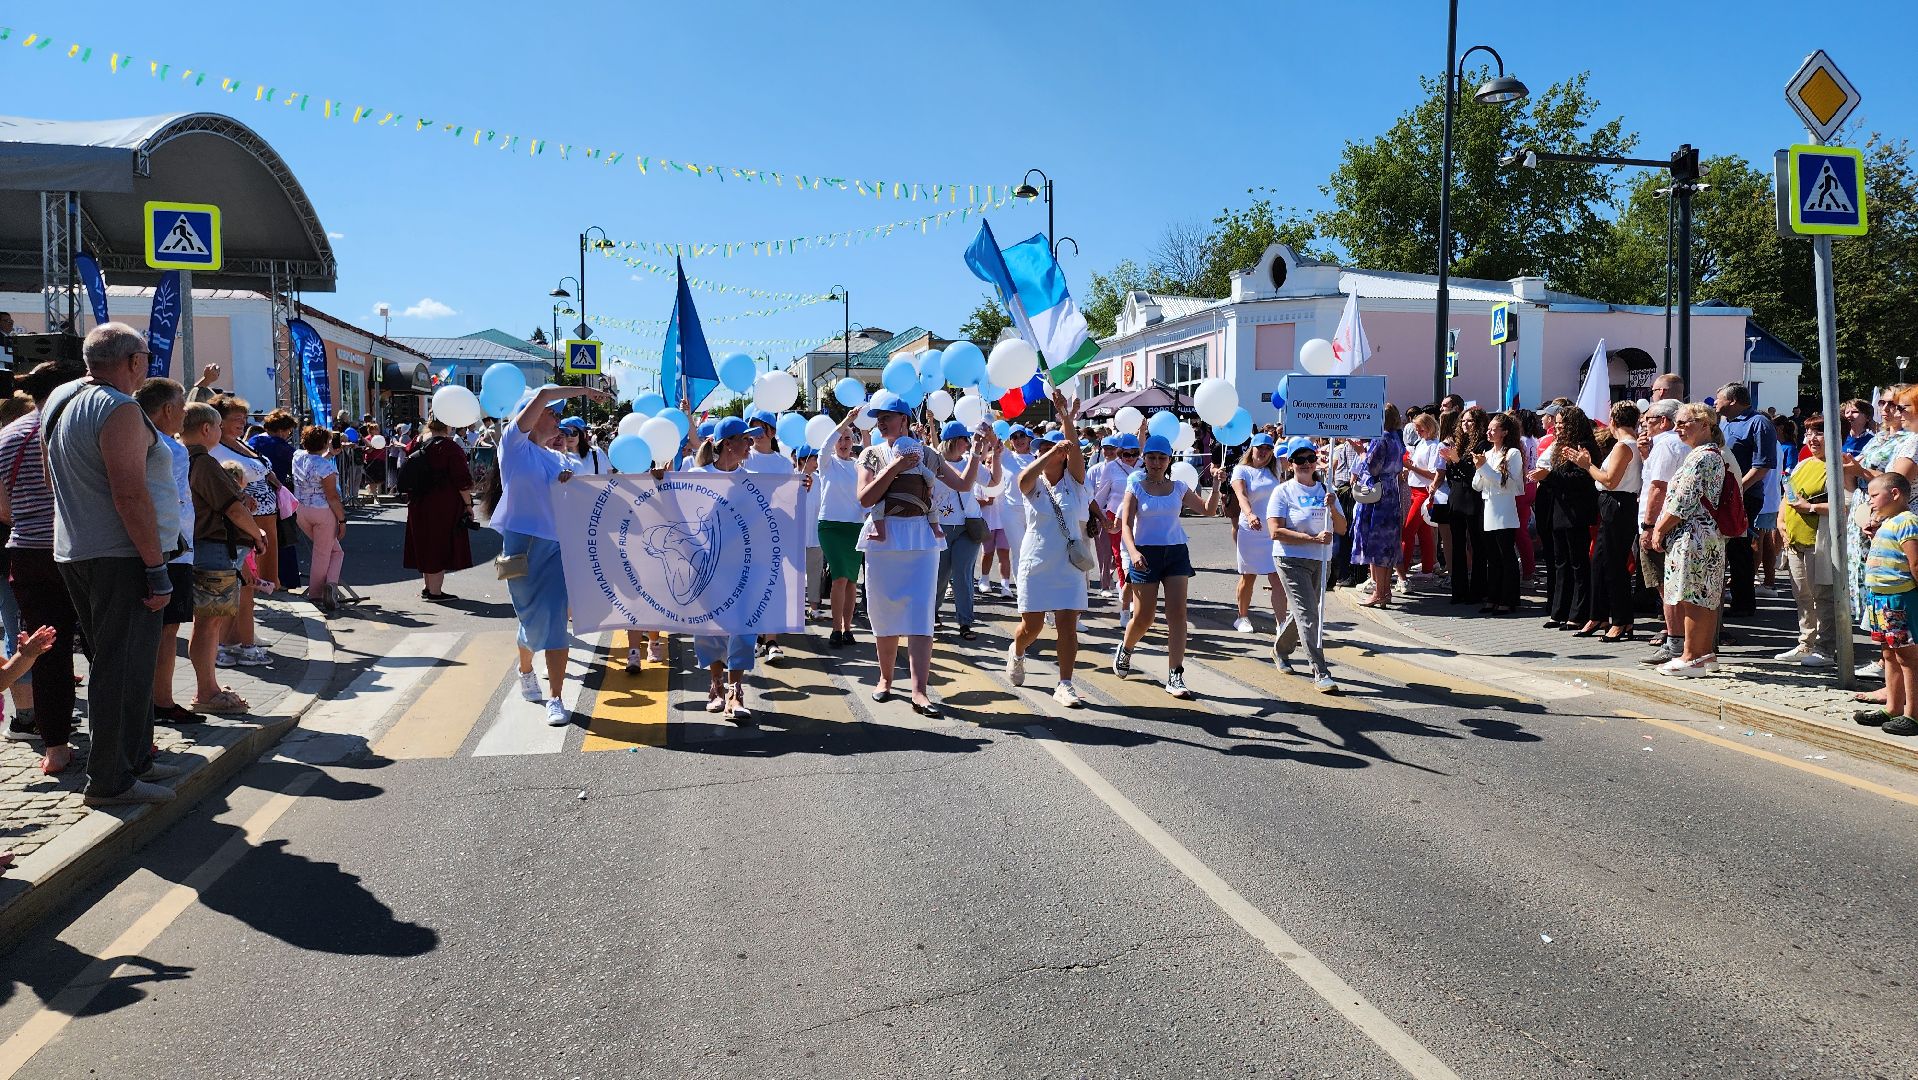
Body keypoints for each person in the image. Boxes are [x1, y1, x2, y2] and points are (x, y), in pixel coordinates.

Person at [44, 323, 189, 806]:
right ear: (132, 361)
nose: (148, 364)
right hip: (121, 556)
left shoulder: (62, 398)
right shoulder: (120, 408)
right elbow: (130, 493)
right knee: (120, 668)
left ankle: (135, 759)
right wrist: (155, 567)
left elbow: (52, 478)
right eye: (145, 356)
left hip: (78, 549)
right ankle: (110, 780)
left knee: (124, 663)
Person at [487, 383, 613, 727]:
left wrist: (568, 482)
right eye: (551, 412)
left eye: (557, 412)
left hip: (557, 547)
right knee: (531, 620)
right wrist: (584, 392)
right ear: (531, 414)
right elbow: (543, 393)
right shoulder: (512, 446)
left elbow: (578, 496)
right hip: (520, 548)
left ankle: (555, 696)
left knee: (556, 621)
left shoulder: (557, 457)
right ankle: (525, 667)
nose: (556, 417)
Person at [857, 394, 989, 715]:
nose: (881, 422)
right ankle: (885, 680)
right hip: (883, 537)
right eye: (879, 417)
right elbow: (865, 498)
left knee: (920, 613)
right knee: (884, 610)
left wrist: (976, 452)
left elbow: (963, 484)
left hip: (922, 537)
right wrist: (894, 467)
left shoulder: (928, 454)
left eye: (887, 416)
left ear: (903, 419)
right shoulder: (871, 454)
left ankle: (919, 691)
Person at [0, 363, 81, 772]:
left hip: (27, 552)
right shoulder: (72, 425)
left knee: (46, 651)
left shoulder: (8, 435)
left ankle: (55, 747)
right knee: (105, 648)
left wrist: (30, 521)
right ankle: (119, 739)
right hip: (81, 549)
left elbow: (2, 506)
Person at [1113, 434, 1220, 698]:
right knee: (1144, 617)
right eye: (1151, 457)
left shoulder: (1179, 487)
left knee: (1177, 615)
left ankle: (1175, 674)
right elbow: (1126, 525)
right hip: (1144, 555)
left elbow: (1208, 510)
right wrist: (1134, 551)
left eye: (1162, 458)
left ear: (1169, 459)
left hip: (1175, 553)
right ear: (1144, 459)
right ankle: (1126, 648)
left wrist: (1216, 486)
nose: (1156, 462)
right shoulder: (1135, 485)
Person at [1002, 394, 1090, 706]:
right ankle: (1018, 650)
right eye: (1040, 447)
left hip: (1067, 565)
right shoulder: (1034, 482)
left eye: (1051, 448)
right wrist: (1048, 452)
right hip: (1036, 563)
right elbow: (1024, 480)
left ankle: (1065, 684)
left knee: (1067, 626)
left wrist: (1066, 418)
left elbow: (1076, 451)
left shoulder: (1075, 482)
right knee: (1032, 627)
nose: (1044, 451)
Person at [183, 402, 267, 715]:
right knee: (208, 623)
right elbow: (233, 508)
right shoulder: (203, 462)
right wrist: (257, 535)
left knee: (207, 622)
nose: (221, 432)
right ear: (206, 429)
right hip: (215, 550)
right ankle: (206, 691)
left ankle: (209, 687)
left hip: (205, 547)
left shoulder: (185, 458)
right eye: (218, 427)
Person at [1649, 403, 1731, 677]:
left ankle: (1691, 656)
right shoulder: (1711, 454)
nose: (1678, 428)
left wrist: (1658, 528)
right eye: (1677, 423)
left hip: (1692, 536)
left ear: (1705, 424)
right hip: (1705, 535)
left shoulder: (1700, 457)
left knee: (1692, 595)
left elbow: (1683, 502)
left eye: (1685, 422)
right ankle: (1704, 654)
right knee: (1704, 595)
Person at [137, 378, 201, 725]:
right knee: (165, 630)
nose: (184, 414)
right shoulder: (169, 448)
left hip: (160, 547)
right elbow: (168, 502)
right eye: (181, 406)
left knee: (160, 631)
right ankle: (161, 702)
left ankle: (155, 702)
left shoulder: (139, 436)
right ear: (166, 410)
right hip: (170, 549)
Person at [1266, 437, 1346, 692]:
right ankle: (1320, 671)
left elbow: (1342, 528)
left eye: (1310, 459)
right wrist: (1311, 538)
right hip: (1290, 559)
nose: (1306, 464)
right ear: (1290, 464)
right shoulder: (1283, 491)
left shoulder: (1326, 491)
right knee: (1310, 614)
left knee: (1305, 612)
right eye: (1300, 460)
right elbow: (1275, 531)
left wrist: (1332, 509)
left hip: (1321, 560)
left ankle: (1279, 649)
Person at [208, 396, 277, 667]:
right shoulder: (214, 450)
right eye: (236, 419)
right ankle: (230, 643)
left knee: (250, 586)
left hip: (259, 521)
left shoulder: (242, 443)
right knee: (240, 586)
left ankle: (243, 636)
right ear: (218, 421)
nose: (242, 423)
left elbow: (261, 469)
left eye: (243, 418)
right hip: (242, 525)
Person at [1566, 401, 1642, 641]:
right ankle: (1598, 615)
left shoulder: (1624, 446)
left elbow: (1610, 480)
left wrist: (1587, 465)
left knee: (1614, 565)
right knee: (1598, 561)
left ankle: (1622, 620)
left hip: (1618, 504)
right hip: (1612, 504)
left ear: (1614, 421)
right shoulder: (1627, 444)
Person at [1854, 473, 1918, 736]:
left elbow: (1914, 562)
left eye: (1874, 495)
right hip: (1881, 599)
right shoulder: (1888, 522)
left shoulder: (1908, 522)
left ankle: (1912, 714)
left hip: (1899, 599)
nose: (1870, 502)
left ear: (1895, 494)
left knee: (1907, 657)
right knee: (1888, 653)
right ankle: (1892, 707)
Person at [1777, 416, 1836, 667]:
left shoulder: (1837, 465)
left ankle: (1826, 647)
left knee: (1822, 595)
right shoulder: (1804, 464)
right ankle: (1806, 642)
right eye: (1809, 432)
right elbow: (1788, 494)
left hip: (1818, 541)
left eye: (1819, 433)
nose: (1812, 438)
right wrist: (1781, 522)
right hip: (1795, 540)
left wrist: (1810, 507)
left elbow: (1843, 504)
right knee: (1802, 595)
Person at [933, 420, 998, 641]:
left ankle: (965, 622)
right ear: (955, 441)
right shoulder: (936, 462)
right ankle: (933, 612)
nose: (969, 443)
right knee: (940, 575)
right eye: (966, 439)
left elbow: (993, 481)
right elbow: (960, 483)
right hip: (940, 527)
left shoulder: (971, 461)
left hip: (969, 527)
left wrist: (996, 454)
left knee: (962, 574)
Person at [1715, 383, 1777, 616]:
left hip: (1744, 497)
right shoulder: (1724, 423)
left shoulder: (1759, 423)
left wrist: (1736, 491)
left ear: (1733, 400)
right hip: (1725, 496)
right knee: (1730, 548)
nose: (1715, 402)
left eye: (1719, 398)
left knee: (1740, 549)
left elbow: (1762, 466)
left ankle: (1743, 603)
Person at [1538, 405, 1599, 633]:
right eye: (1557, 424)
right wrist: (1545, 477)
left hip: (1577, 511)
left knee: (1578, 563)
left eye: (1563, 424)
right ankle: (1559, 611)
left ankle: (1578, 613)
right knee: (1560, 562)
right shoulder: (1558, 446)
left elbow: (1582, 479)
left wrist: (1550, 476)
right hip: (1559, 509)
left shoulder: (1585, 445)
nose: (1558, 427)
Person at [1636, 400, 1689, 664]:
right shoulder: (1672, 444)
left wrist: (1648, 527)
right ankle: (1680, 639)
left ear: (1664, 421)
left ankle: (1675, 643)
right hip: (1669, 523)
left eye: (1649, 420)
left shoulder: (1667, 444)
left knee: (1665, 586)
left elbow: (1658, 487)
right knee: (1671, 586)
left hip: (1659, 525)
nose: (1644, 424)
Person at [402, 417, 475, 603]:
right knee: (439, 544)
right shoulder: (449, 447)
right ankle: (435, 592)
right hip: (443, 503)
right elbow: (462, 480)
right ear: (448, 424)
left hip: (418, 501)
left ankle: (428, 587)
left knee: (425, 543)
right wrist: (468, 505)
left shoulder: (417, 442)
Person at [813, 411, 866, 649]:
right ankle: (835, 629)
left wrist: (863, 429)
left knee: (852, 581)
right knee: (839, 578)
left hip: (855, 527)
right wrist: (845, 421)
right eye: (840, 438)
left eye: (848, 438)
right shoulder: (827, 463)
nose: (844, 443)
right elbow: (824, 446)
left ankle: (847, 628)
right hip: (831, 527)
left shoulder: (858, 466)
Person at [1228, 434, 1285, 634]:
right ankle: (1242, 617)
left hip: (1271, 530)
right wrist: (1250, 514)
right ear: (1251, 449)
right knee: (1248, 576)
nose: (1263, 452)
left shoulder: (1275, 470)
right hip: (1249, 529)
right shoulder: (1241, 470)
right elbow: (1241, 496)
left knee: (1277, 577)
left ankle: (1281, 623)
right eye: (1259, 448)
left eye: (1268, 449)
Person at [1350, 405, 1405, 607]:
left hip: (1377, 493)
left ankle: (1380, 593)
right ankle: (1385, 592)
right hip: (1390, 492)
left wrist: (1360, 452)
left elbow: (1371, 468)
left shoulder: (1380, 439)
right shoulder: (1396, 439)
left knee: (1377, 544)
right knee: (1388, 544)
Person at [1473, 412, 1525, 615]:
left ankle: (1508, 598)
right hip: (1489, 506)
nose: (1489, 431)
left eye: (1494, 429)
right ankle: (1493, 596)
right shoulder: (1488, 453)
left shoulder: (1512, 453)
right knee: (1492, 555)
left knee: (1506, 554)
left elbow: (1507, 483)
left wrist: (1484, 468)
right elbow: (1477, 485)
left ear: (1504, 432)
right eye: (1489, 428)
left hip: (1504, 507)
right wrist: (1480, 468)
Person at [292, 426, 348, 611]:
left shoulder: (297, 456)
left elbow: (312, 467)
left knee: (330, 551)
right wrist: (342, 520)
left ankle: (328, 586)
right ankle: (320, 592)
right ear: (325, 443)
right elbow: (332, 497)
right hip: (322, 512)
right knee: (326, 553)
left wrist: (328, 453)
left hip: (301, 510)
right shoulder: (327, 468)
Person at [1443, 407, 1489, 605]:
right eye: (1463, 421)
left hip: (1474, 498)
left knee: (1477, 545)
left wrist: (1457, 462)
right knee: (1457, 546)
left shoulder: (1482, 444)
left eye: (1469, 421)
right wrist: (1453, 463)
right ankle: (1458, 590)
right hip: (1457, 497)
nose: (1465, 425)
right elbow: (1452, 475)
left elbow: (1475, 474)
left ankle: (1478, 590)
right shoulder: (1459, 444)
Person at [1400, 413, 1443, 583]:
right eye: (1416, 428)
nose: (1417, 431)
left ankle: (1403, 568)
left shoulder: (1434, 446)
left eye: (1420, 428)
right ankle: (1427, 568)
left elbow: (1433, 473)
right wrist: (1409, 468)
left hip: (1424, 492)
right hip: (1415, 490)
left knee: (1409, 531)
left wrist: (1411, 467)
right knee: (1423, 532)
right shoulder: (1422, 443)